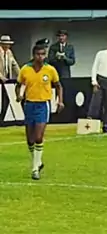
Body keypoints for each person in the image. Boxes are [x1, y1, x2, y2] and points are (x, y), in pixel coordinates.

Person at [15, 44, 64, 180]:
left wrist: (60, 101)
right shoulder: (25, 69)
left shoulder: (50, 70)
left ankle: (35, 169)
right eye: (38, 54)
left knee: (38, 137)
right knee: (30, 140)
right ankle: (38, 162)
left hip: (43, 105)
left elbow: (58, 86)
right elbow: (19, 84)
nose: (40, 57)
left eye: (43, 54)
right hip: (29, 104)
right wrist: (19, 95)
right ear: (33, 55)